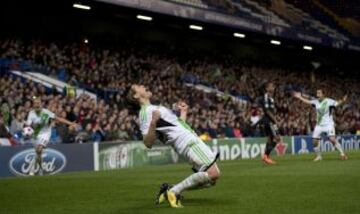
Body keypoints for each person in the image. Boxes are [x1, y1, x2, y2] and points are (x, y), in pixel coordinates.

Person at [127, 84, 220, 208]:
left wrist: (183, 112)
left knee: (211, 180)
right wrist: (153, 123)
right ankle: (174, 191)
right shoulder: (145, 113)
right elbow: (147, 142)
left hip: (189, 139)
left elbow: (177, 126)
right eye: (138, 86)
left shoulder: (154, 108)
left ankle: (170, 190)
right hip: (188, 142)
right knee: (213, 173)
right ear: (136, 95)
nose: (143, 85)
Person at [26, 97, 77, 176]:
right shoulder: (31, 113)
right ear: (33, 105)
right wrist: (27, 132)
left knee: (39, 150)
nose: (37, 105)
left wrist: (70, 123)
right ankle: (40, 169)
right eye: (35, 103)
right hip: (36, 134)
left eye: (38, 103)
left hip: (45, 133)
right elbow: (28, 125)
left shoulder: (46, 112)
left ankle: (33, 170)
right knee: (38, 153)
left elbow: (58, 118)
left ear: (41, 104)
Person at [293, 89, 348, 161]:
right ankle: (319, 156)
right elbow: (308, 102)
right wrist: (300, 97)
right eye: (317, 93)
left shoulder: (329, 101)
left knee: (332, 139)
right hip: (319, 125)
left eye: (319, 93)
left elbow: (337, 103)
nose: (317, 95)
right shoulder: (315, 102)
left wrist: (343, 100)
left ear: (323, 94)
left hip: (328, 124)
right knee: (314, 141)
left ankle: (342, 154)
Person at [258, 82, 283, 165]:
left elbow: (271, 110)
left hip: (270, 121)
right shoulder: (266, 97)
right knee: (277, 138)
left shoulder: (271, 98)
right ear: (267, 88)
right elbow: (267, 110)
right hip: (269, 121)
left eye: (273, 86)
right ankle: (266, 156)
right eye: (272, 86)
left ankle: (266, 158)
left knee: (270, 139)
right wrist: (275, 120)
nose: (273, 87)